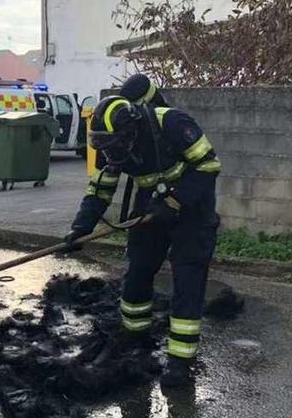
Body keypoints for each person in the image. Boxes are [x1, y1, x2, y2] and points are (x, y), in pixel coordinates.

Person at [64, 74, 221, 388]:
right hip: (151, 205)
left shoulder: (172, 124)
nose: (110, 155)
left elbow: (208, 166)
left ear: (130, 131)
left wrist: (175, 201)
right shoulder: (116, 145)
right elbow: (100, 190)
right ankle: (135, 336)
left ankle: (180, 361)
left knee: (187, 275)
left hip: (193, 206)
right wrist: (80, 228)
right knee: (138, 269)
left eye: (112, 147)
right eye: (103, 148)